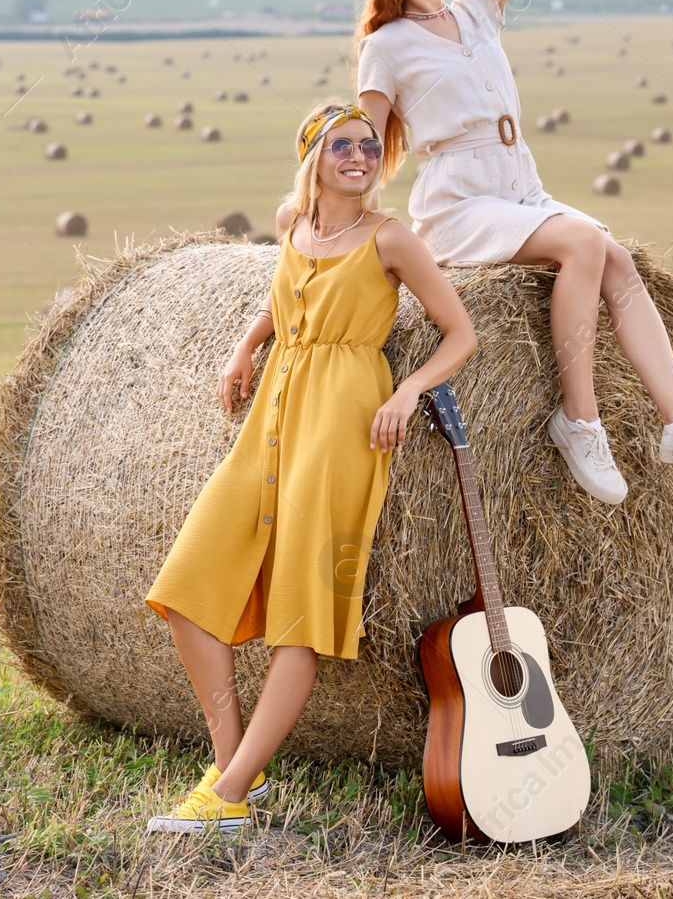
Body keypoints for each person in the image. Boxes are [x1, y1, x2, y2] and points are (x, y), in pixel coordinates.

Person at [347, 0, 673, 505]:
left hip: (519, 179)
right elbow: (366, 140)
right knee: (585, 243)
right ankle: (580, 421)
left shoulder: (476, 9)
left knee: (619, 262)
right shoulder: (386, 46)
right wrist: (329, 210)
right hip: (460, 198)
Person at [142, 100, 477, 833]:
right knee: (187, 590)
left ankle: (225, 795)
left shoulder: (393, 239)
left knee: (302, 614)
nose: (359, 156)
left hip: (343, 422)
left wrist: (410, 389)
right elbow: (286, 291)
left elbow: (461, 332)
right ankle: (240, 768)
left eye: (367, 146)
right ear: (313, 160)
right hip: (273, 413)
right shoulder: (293, 223)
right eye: (341, 146)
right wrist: (244, 346)